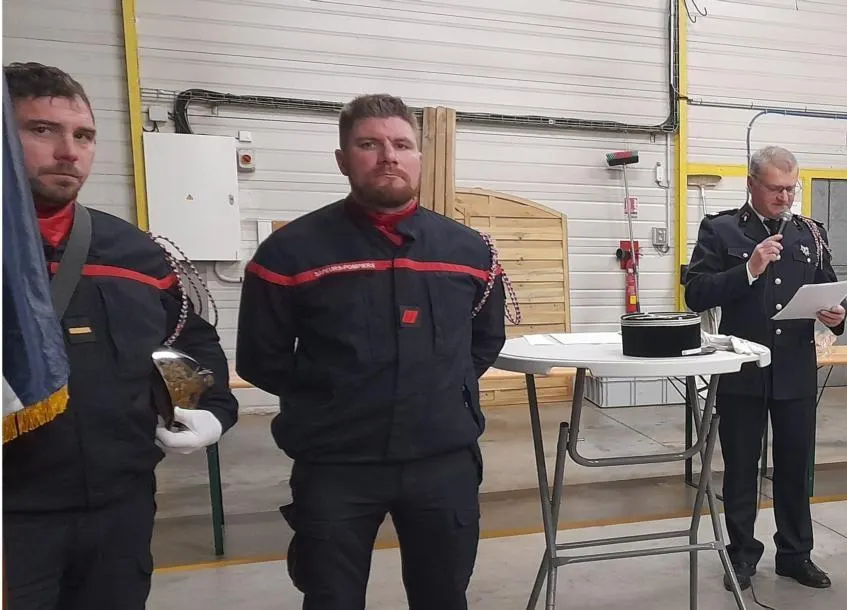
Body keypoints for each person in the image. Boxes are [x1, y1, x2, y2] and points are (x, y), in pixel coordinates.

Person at [236, 93, 508, 609]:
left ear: (419, 158)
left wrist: (439, 389)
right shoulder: (290, 252)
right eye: (369, 145)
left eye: (402, 145)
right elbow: (260, 358)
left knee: (443, 596)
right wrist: (336, 397)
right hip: (336, 464)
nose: (388, 157)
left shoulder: (469, 251)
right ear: (343, 160)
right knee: (331, 597)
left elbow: (484, 339)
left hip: (441, 462)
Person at [2, 62, 238, 609]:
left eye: (83, 135)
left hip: (120, 509)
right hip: (13, 518)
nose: (69, 152)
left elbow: (187, 340)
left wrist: (210, 409)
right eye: (42, 130)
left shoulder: (137, 252)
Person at [683, 145, 845, 592]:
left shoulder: (810, 233)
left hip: (795, 368)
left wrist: (836, 314)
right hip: (743, 370)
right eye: (775, 189)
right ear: (751, 184)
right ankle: (741, 556)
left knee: (795, 467)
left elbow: (829, 287)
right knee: (741, 469)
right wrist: (749, 269)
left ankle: (795, 555)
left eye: (791, 188)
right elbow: (696, 293)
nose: (785, 197)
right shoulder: (721, 230)